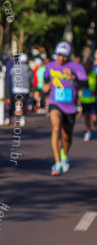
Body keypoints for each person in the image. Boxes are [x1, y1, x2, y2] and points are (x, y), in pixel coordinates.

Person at [43, 41, 87, 176]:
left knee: (67, 135)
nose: (61, 58)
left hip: (70, 106)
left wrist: (73, 77)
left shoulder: (76, 66)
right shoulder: (50, 66)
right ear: (56, 54)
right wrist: (44, 89)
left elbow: (84, 84)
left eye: (64, 56)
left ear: (68, 56)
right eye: (59, 55)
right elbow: (45, 81)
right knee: (56, 128)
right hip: (55, 102)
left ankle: (64, 155)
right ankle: (57, 163)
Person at [80, 57, 96, 140]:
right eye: (87, 65)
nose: (88, 67)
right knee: (86, 117)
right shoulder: (82, 75)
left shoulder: (94, 75)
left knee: (94, 117)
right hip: (84, 100)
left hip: (93, 100)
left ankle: (94, 122)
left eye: (90, 65)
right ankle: (88, 132)